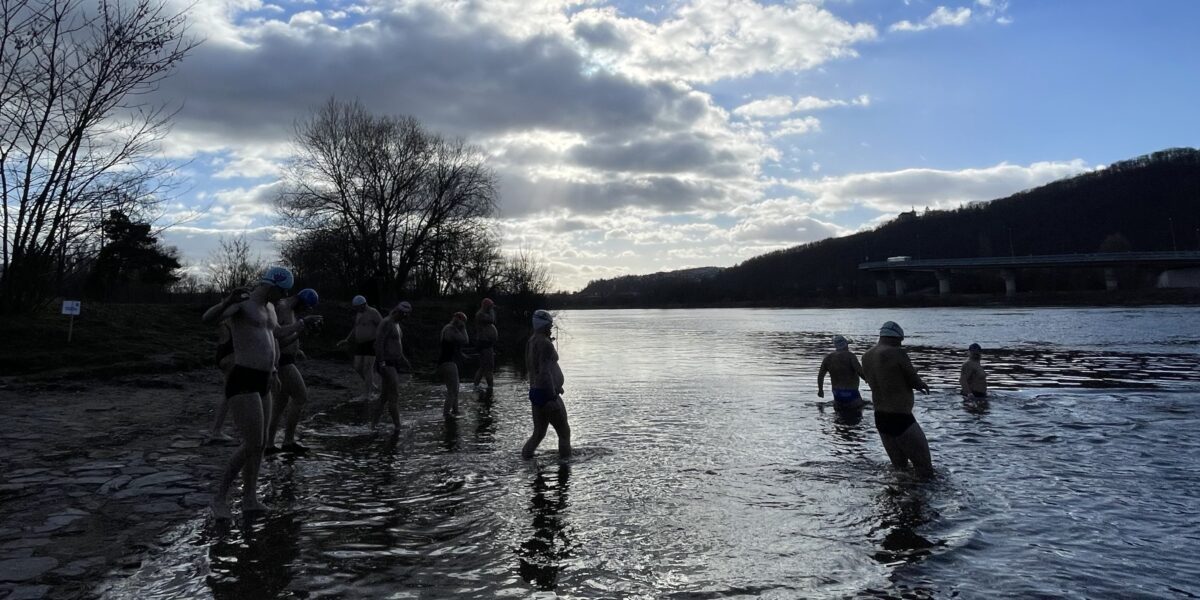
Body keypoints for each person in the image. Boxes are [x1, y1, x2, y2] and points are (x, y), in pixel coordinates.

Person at [201, 266, 318, 519]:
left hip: (266, 378)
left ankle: (250, 499)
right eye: (283, 290)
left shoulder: (272, 308)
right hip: (243, 378)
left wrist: (301, 325)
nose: (284, 296)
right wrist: (226, 302)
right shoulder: (243, 304)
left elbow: (275, 335)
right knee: (252, 443)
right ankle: (219, 498)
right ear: (272, 284)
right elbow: (207, 319)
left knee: (261, 444)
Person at [861, 321, 933, 477]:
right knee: (925, 470)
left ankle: (898, 498)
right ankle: (918, 499)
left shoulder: (866, 356)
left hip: (880, 418)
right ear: (896, 337)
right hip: (901, 418)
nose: (901, 344)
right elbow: (913, 381)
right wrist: (921, 382)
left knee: (900, 470)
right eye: (901, 341)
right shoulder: (896, 352)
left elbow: (881, 379)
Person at [265, 287, 322, 455]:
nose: (304, 311)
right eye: (305, 307)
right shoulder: (283, 308)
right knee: (300, 396)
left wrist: (297, 348)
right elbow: (277, 338)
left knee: (279, 405)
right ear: (300, 301)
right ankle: (288, 441)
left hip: (286, 358)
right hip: (282, 362)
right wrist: (302, 327)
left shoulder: (289, 310)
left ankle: (268, 444)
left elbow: (288, 335)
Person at [522, 310, 571, 460]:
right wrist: (552, 395)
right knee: (564, 433)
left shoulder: (531, 341)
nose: (551, 327)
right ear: (543, 324)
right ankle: (565, 467)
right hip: (546, 394)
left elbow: (533, 369)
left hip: (536, 391)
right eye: (549, 325)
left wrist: (556, 385)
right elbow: (544, 372)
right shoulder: (544, 344)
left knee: (539, 433)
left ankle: (525, 460)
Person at [372, 301, 413, 434]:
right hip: (386, 363)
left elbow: (396, 343)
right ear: (397, 311)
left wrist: (404, 359)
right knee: (394, 394)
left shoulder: (397, 323)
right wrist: (381, 362)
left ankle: (373, 425)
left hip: (394, 362)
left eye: (406, 315)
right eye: (403, 315)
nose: (404, 317)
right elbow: (378, 343)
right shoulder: (386, 323)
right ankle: (397, 426)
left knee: (384, 396)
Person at [337, 295, 382, 402]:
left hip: (371, 343)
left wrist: (379, 341)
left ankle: (367, 394)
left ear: (363, 304)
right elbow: (356, 327)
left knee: (367, 367)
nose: (356, 309)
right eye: (355, 307)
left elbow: (382, 325)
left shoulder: (373, 312)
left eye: (357, 307)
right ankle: (370, 384)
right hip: (360, 343)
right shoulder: (359, 313)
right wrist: (347, 339)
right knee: (357, 367)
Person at [817, 335, 866, 413]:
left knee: (839, 414)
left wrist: (820, 390)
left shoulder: (828, 358)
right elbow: (860, 372)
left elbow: (820, 376)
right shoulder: (850, 356)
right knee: (857, 413)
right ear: (845, 344)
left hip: (837, 393)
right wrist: (869, 381)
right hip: (851, 393)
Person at [207, 319, 236, 444]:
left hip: (223, 352)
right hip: (231, 354)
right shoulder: (235, 318)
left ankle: (217, 429)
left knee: (231, 393)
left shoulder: (224, 319)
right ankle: (216, 431)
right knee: (228, 394)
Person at [438, 312, 470, 418]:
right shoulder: (450, 329)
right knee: (452, 390)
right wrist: (463, 328)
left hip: (447, 362)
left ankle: (455, 411)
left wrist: (461, 354)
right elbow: (465, 340)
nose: (463, 324)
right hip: (447, 363)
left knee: (455, 389)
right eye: (463, 322)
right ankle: (446, 414)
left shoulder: (449, 328)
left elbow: (452, 346)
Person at [472, 298, 498, 394]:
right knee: (489, 367)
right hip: (484, 343)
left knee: (483, 367)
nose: (492, 309)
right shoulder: (481, 314)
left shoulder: (483, 314)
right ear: (487, 306)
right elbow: (492, 320)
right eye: (491, 306)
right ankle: (490, 388)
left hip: (486, 343)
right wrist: (491, 310)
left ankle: (476, 386)